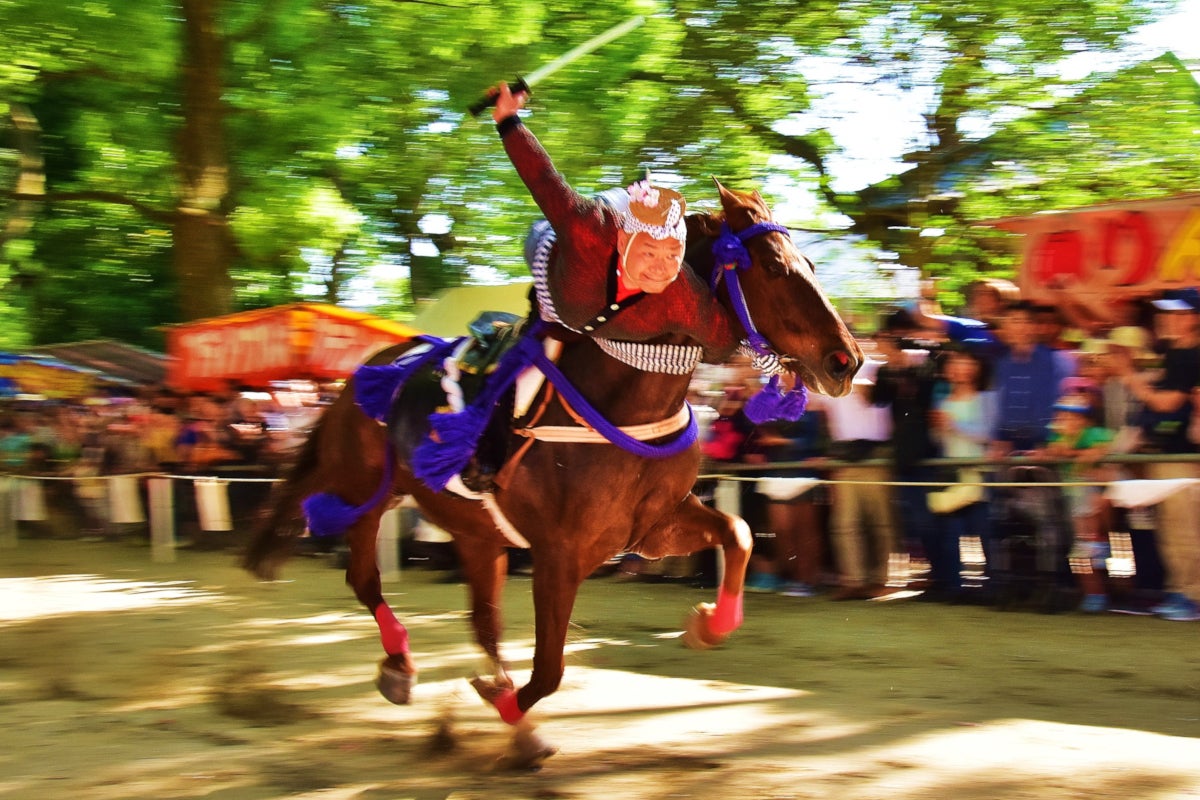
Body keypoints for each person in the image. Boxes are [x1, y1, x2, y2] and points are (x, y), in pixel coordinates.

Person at [490, 82, 741, 361]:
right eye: (650, 253)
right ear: (623, 242)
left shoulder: (684, 296)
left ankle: (638, 199)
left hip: (595, 315)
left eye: (673, 255)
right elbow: (544, 180)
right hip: (550, 249)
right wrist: (508, 121)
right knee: (605, 208)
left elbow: (723, 340)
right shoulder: (589, 231)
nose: (661, 267)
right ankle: (632, 194)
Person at [1114, 290, 1200, 622]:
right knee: (1170, 528)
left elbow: (1167, 403)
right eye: (1166, 313)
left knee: (1184, 528)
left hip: (1184, 455)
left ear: (1194, 318)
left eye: (1179, 314)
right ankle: (1179, 591)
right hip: (1167, 453)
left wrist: (1127, 375)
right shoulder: (1175, 352)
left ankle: (1192, 595)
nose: (1168, 319)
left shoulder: (1191, 355)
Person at [926, 345, 994, 603]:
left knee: (983, 533)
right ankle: (956, 587)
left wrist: (953, 425)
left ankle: (989, 587)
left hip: (980, 475)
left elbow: (987, 434)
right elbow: (939, 441)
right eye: (954, 363)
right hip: (952, 476)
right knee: (952, 534)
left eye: (965, 362)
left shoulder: (986, 399)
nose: (958, 368)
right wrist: (938, 428)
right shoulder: (942, 402)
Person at [1042, 391, 1115, 612]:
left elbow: (1108, 446)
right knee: (1082, 547)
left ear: (1083, 418)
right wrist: (1069, 451)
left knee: (1090, 544)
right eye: (1061, 416)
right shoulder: (1059, 437)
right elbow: (1053, 450)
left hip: (1097, 500)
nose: (1064, 420)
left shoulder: (1095, 433)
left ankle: (1106, 592)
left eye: (1071, 416)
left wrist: (1089, 453)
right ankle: (1094, 595)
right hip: (1073, 501)